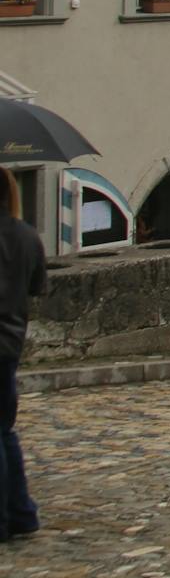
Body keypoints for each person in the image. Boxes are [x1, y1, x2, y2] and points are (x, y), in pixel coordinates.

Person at [3, 173, 47, 542]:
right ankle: (21, 513)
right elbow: (37, 286)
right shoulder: (27, 236)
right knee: (5, 432)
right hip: (10, 343)